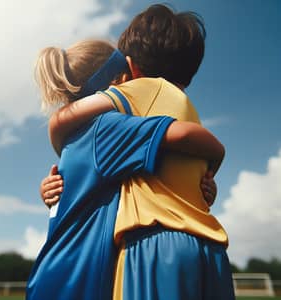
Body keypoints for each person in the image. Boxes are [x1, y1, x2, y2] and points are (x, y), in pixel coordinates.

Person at [38, 4, 235, 300]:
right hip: (206, 246)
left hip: (146, 248)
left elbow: (63, 120)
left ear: (131, 68)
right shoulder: (178, 105)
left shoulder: (139, 96)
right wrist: (213, 165)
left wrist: (57, 133)